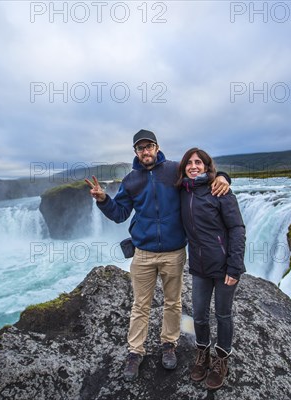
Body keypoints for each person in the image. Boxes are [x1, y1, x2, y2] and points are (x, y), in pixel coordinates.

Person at [85, 129, 231, 382]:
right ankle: (135, 352)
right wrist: (103, 199)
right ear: (136, 152)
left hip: (174, 252)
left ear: (156, 147)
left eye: (149, 146)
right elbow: (119, 213)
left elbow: (200, 175)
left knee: (172, 303)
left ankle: (169, 345)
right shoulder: (131, 180)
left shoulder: (174, 170)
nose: (145, 151)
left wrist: (224, 176)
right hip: (143, 254)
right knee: (140, 305)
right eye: (140, 148)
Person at [177, 147, 246, 390]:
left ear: (207, 167)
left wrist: (234, 267)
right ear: (184, 167)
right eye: (189, 162)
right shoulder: (183, 191)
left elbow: (237, 229)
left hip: (224, 266)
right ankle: (203, 353)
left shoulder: (220, 191)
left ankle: (222, 359)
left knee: (223, 314)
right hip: (199, 266)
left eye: (199, 162)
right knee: (198, 314)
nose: (193, 166)